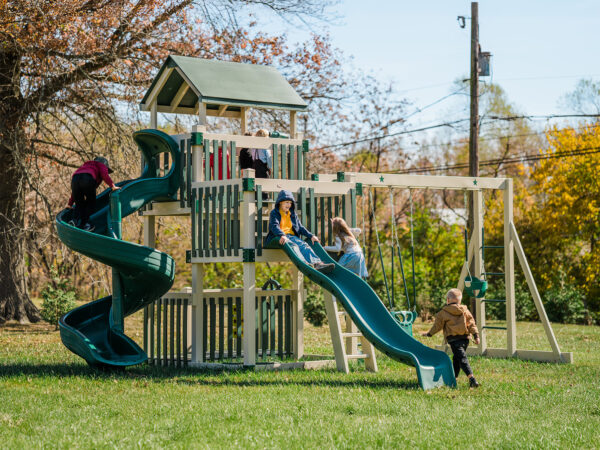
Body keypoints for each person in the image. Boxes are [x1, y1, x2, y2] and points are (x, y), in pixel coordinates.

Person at [421, 288, 481, 388]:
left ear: (448, 300)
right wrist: (476, 336)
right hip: (465, 339)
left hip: (453, 340)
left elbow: (437, 326)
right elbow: (471, 324)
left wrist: (429, 334)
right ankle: (454, 378)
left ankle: (472, 379)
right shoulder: (465, 311)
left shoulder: (443, 313)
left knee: (462, 358)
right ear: (460, 301)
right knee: (457, 358)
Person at [264, 190, 334, 273]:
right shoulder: (274, 213)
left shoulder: (292, 214)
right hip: (279, 237)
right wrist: (281, 235)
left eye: (290, 203)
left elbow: (300, 227)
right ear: (280, 203)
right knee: (293, 246)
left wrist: (311, 236)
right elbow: (274, 226)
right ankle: (305, 263)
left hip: (291, 236)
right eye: (286, 202)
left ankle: (317, 263)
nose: (289, 205)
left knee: (304, 245)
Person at [67, 156, 120, 231]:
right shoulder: (101, 165)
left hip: (75, 179)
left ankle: (74, 221)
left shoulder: (85, 166)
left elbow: (74, 192)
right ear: (105, 165)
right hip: (87, 179)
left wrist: (70, 203)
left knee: (79, 203)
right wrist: (112, 186)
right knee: (91, 203)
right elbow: (105, 175)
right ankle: (85, 224)